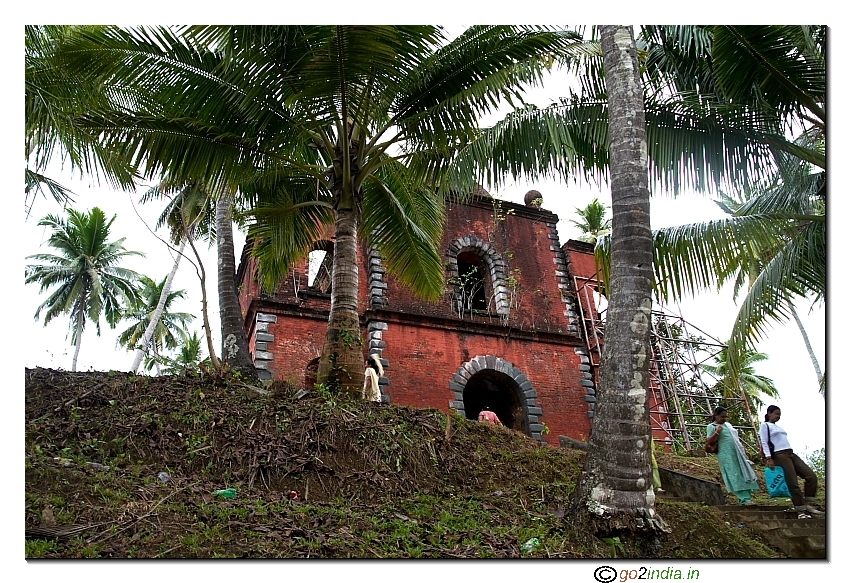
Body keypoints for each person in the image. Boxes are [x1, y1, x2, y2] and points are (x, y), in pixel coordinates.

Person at [760, 405, 822, 516]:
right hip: (780, 455)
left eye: (779, 414)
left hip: (790, 453)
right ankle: (800, 510)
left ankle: (807, 503)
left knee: (811, 476)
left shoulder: (778, 427)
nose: (778, 416)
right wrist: (769, 458)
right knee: (793, 483)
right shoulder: (765, 425)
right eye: (776, 414)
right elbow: (764, 442)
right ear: (769, 413)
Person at [706, 406, 759, 505]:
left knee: (744, 473)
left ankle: (746, 498)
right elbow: (709, 441)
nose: (724, 419)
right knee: (734, 475)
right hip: (726, 455)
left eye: (726, 417)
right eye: (722, 417)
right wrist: (717, 432)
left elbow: (735, 439)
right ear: (716, 416)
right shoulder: (711, 426)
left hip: (737, 454)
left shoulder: (728, 425)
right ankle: (744, 500)